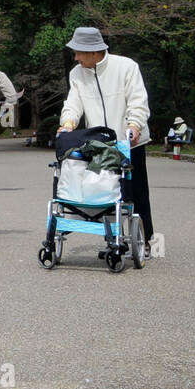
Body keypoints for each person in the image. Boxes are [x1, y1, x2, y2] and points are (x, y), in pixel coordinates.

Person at [56, 27, 153, 256]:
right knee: (105, 190)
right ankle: (115, 239)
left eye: (79, 53)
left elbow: (138, 100)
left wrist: (134, 125)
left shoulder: (126, 67)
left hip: (130, 141)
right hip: (101, 144)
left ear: (94, 51)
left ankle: (145, 240)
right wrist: (68, 123)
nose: (76, 58)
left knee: (137, 192)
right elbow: (73, 103)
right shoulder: (77, 74)